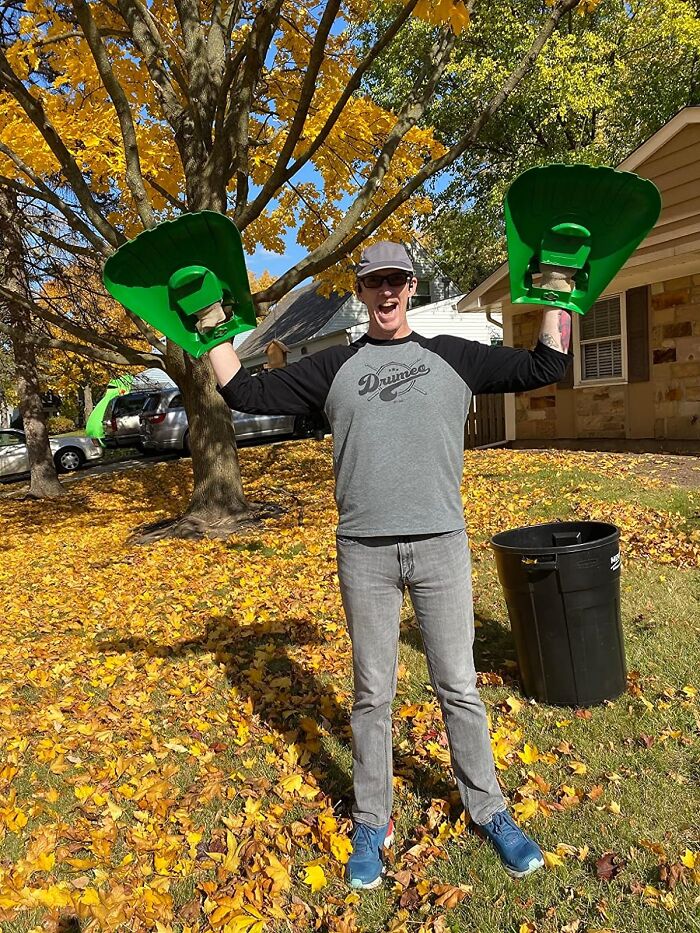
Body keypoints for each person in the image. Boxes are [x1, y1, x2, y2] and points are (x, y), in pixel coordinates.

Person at [204, 241, 572, 889]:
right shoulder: (332, 369)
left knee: (457, 684)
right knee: (372, 693)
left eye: (396, 280)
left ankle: (488, 807)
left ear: (410, 285)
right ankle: (374, 817)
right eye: (374, 282)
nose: (387, 293)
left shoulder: (453, 356)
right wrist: (208, 325)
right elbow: (242, 391)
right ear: (361, 290)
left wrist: (558, 287)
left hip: (440, 545)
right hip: (364, 552)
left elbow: (547, 364)